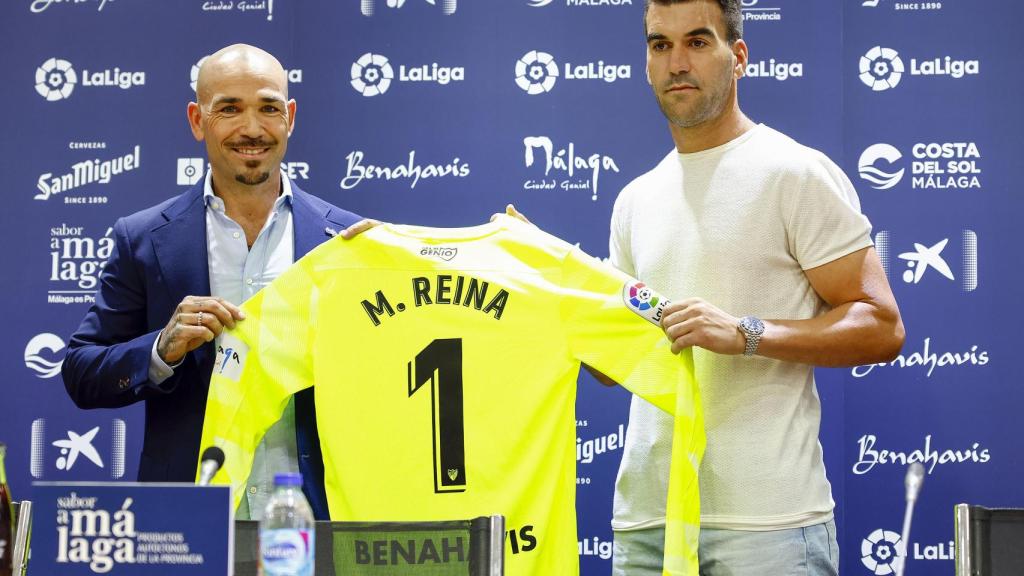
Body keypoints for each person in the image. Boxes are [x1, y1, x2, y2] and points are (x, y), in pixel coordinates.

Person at [608, 1, 905, 574]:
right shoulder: (634, 199)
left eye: (697, 42)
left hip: (768, 528)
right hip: (648, 524)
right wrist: (545, 272)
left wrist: (746, 333)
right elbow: (611, 359)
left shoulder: (794, 173)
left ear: (738, 56)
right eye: (660, 45)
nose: (676, 63)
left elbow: (882, 326)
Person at [61, 44, 364, 521]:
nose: (252, 128)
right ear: (197, 120)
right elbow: (82, 372)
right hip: (187, 523)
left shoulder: (348, 242)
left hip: (315, 519)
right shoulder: (142, 238)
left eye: (268, 108)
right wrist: (161, 349)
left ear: (290, 117)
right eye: (229, 109)